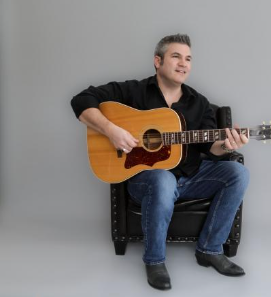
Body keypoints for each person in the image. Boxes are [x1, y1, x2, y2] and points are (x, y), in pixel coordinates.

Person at [71, 34, 249, 290]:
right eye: (176, 56)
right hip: (147, 181)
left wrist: (226, 144)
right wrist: (112, 131)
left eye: (188, 58)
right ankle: (154, 261)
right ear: (158, 61)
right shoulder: (132, 92)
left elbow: (211, 148)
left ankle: (210, 249)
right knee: (163, 178)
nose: (183, 63)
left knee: (238, 173)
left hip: (191, 177)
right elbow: (81, 100)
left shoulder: (198, 103)